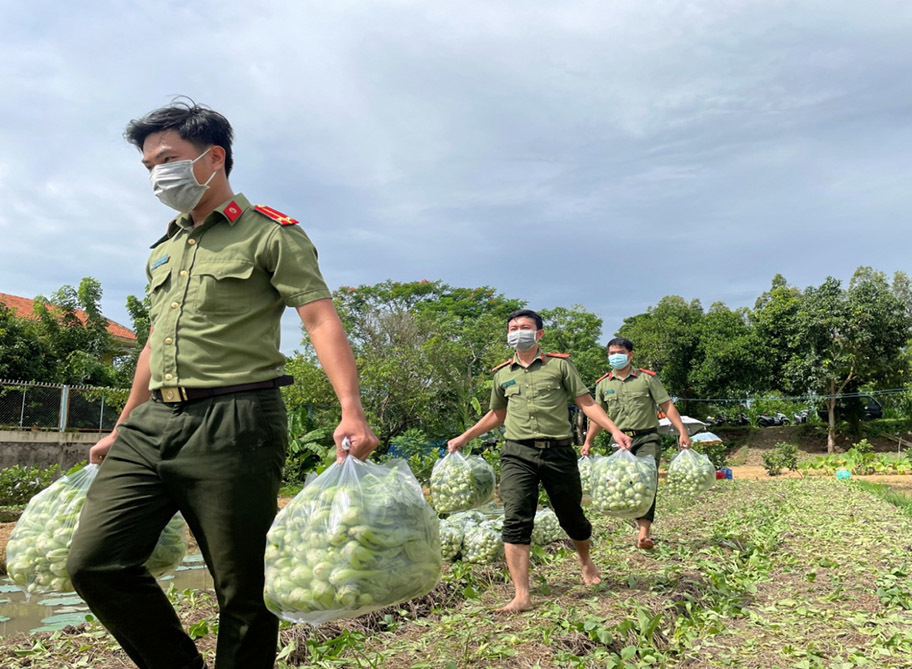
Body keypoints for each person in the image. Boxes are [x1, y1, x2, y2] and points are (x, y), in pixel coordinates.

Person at [66, 99, 378, 669]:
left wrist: (350, 409)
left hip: (235, 420)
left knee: (243, 588)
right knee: (94, 563)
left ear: (214, 157)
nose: (157, 174)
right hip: (151, 424)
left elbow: (318, 319)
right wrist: (122, 424)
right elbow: (153, 343)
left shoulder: (270, 234)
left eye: (168, 159)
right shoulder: (165, 249)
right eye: (148, 166)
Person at [447, 309, 632, 613]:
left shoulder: (559, 366)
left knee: (571, 515)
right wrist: (464, 437)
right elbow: (497, 414)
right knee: (516, 518)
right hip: (517, 453)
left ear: (539, 334)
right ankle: (522, 594)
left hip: (558, 452)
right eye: (513, 328)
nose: (517, 332)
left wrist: (614, 430)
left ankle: (585, 561)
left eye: (524, 327)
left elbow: (586, 402)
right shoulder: (502, 374)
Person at [582, 337, 690, 550]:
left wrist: (682, 431)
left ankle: (644, 532)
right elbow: (597, 416)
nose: (615, 357)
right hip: (620, 442)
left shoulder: (646, 379)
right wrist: (588, 441)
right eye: (611, 353)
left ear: (630, 355)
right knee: (624, 482)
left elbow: (666, 405)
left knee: (646, 479)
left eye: (620, 353)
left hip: (647, 437)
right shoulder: (603, 384)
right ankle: (633, 517)